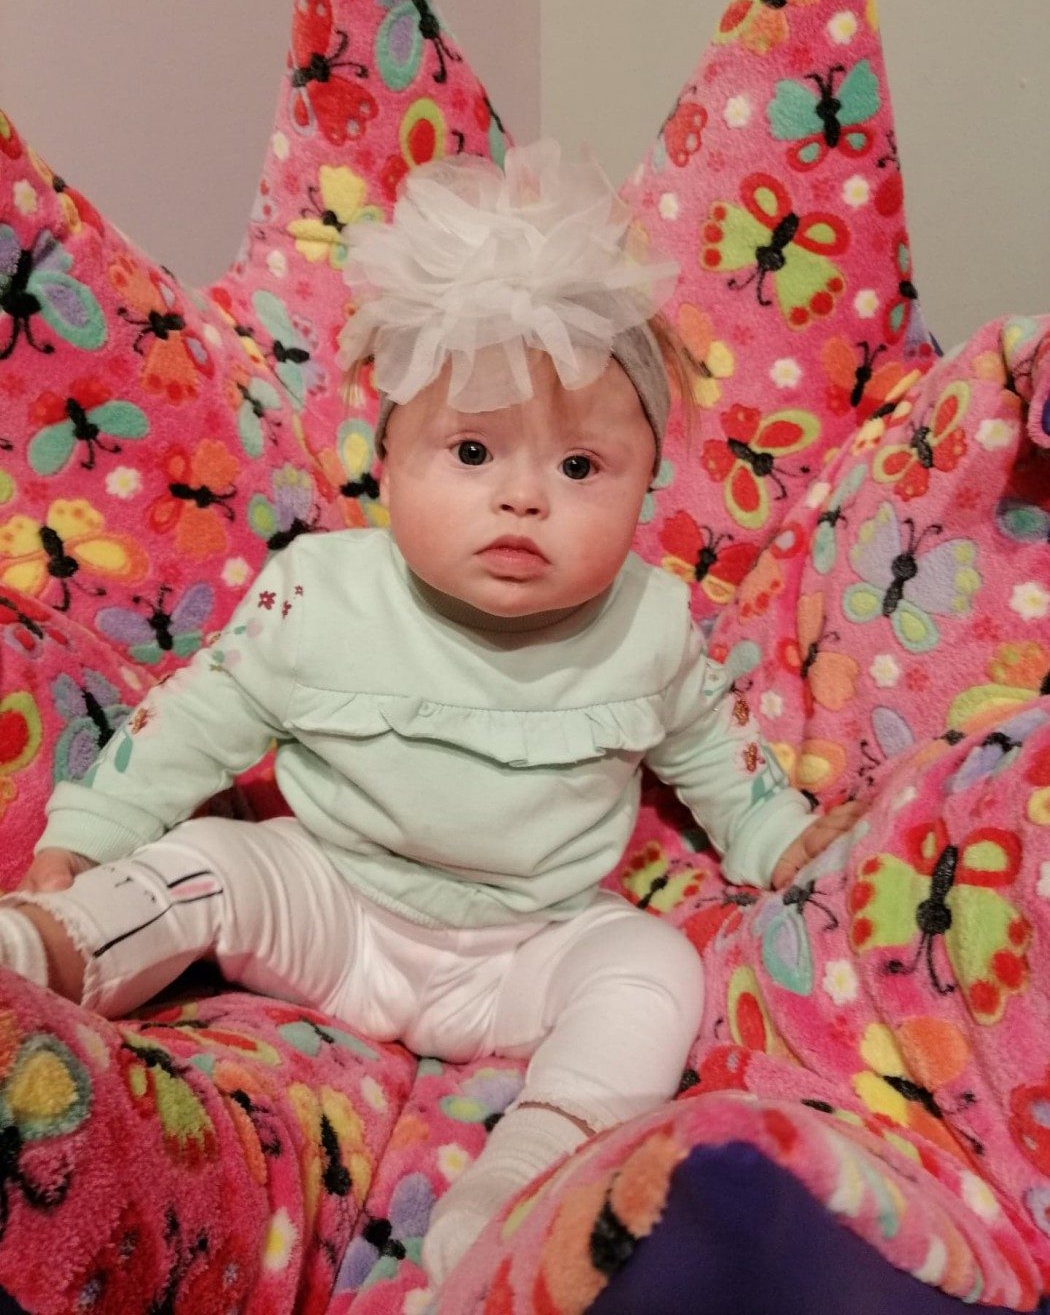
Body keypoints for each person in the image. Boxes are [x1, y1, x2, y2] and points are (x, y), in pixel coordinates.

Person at [0, 141, 861, 1289]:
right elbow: (198, 718)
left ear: (646, 483)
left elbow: (715, 752)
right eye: (470, 451)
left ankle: (532, 1168)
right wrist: (92, 829)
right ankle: (40, 955)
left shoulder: (649, 627)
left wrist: (774, 836)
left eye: (581, 466)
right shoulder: (324, 594)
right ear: (389, 461)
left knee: (654, 965)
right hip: (334, 897)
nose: (523, 496)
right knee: (206, 862)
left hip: (527, 942)